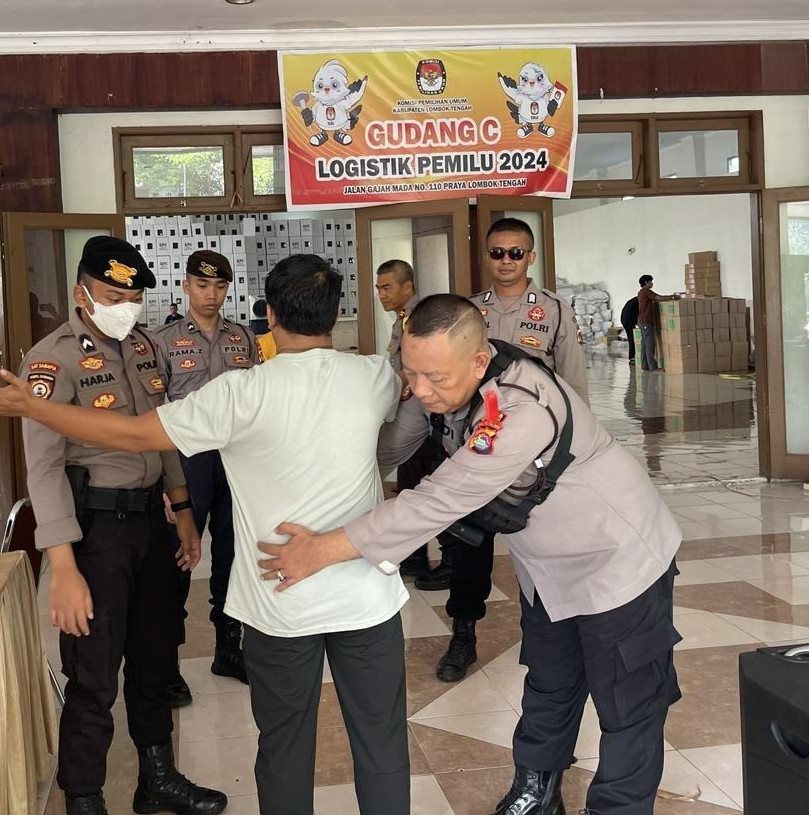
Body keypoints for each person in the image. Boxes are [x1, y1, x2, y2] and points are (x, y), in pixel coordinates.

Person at [0, 253, 412, 815]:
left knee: (282, 745)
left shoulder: (239, 392)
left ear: (269, 315)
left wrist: (33, 408)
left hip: (280, 601)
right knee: (382, 742)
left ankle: (158, 774)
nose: (129, 309)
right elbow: (407, 405)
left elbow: (135, 435)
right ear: (336, 311)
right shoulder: (374, 375)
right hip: (364, 593)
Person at [259, 295, 684, 815]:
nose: (420, 390)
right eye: (411, 373)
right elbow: (384, 451)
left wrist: (323, 550)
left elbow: (440, 498)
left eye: (434, 378)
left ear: (479, 361)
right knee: (549, 683)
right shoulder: (440, 383)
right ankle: (536, 793)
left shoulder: (521, 409)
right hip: (547, 572)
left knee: (629, 703)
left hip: (618, 563)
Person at [7, 236, 223, 815]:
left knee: (155, 657)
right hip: (96, 533)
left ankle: (157, 780)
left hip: (152, 523)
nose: (125, 307)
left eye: (132, 297)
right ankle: (84, 798)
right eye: (112, 295)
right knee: (94, 675)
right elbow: (43, 469)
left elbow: (163, 432)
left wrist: (183, 512)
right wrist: (63, 570)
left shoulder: (145, 346)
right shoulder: (51, 360)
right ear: (81, 293)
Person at [433, 218, 590, 683]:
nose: (506, 261)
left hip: (534, 457)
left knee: (543, 547)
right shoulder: (467, 313)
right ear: (486, 257)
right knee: (469, 549)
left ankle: (548, 635)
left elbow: (574, 386)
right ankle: (463, 634)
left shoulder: (555, 311)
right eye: (497, 252)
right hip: (476, 448)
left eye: (515, 253)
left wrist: (576, 452)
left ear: (531, 257)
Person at [152, 250, 261, 690]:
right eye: (202, 285)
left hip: (234, 459)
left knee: (232, 555)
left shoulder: (243, 338)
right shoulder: (162, 341)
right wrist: (165, 480)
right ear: (185, 286)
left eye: (219, 286)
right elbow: (155, 414)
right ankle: (166, 664)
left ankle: (228, 649)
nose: (211, 294)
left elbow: (256, 400)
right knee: (178, 558)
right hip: (188, 461)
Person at [376, 258, 450, 591]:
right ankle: (414, 556)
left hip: (430, 417)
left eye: (387, 287)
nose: (381, 294)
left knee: (437, 488)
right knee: (411, 485)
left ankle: (451, 561)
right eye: (378, 288)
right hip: (413, 412)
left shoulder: (422, 318)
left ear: (408, 286)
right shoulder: (404, 319)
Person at [636, 275, 680, 372]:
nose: (652, 283)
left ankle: (645, 366)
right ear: (646, 282)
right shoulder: (646, 291)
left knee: (644, 344)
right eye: (651, 281)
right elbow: (658, 297)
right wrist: (672, 297)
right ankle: (653, 367)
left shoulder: (640, 292)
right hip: (646, 321)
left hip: (642, 321)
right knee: (650, 344)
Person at [619, 295, 640, 366]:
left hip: (624, 319)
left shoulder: (633, 300)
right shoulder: (638, 302)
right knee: (632, 338)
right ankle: (632, 357)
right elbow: (637, 314)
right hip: (628, 320)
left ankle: (632, 356)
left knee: (631, 338)